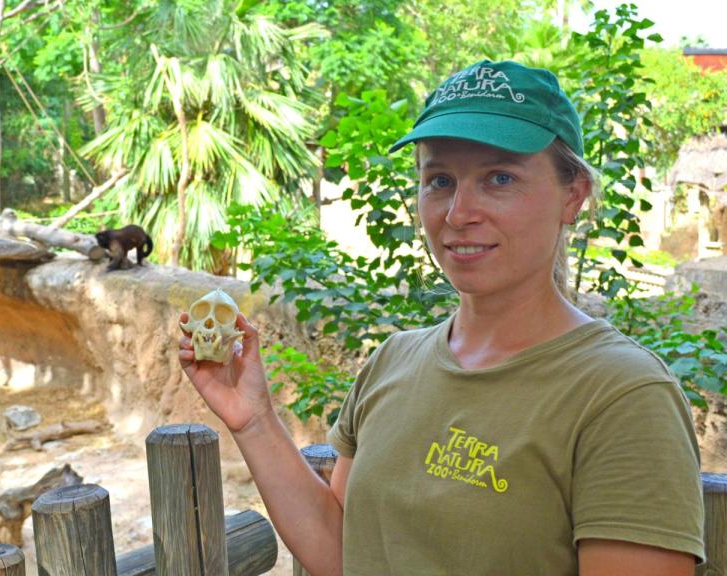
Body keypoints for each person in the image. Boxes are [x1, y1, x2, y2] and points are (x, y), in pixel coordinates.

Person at [178, 60, 704, 576]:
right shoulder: (392, 361)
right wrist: (255, 419)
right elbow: (344, 551)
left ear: (573, 195)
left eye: (500, 177)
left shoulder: (624, 395)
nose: (458, 213)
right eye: (440, 180)